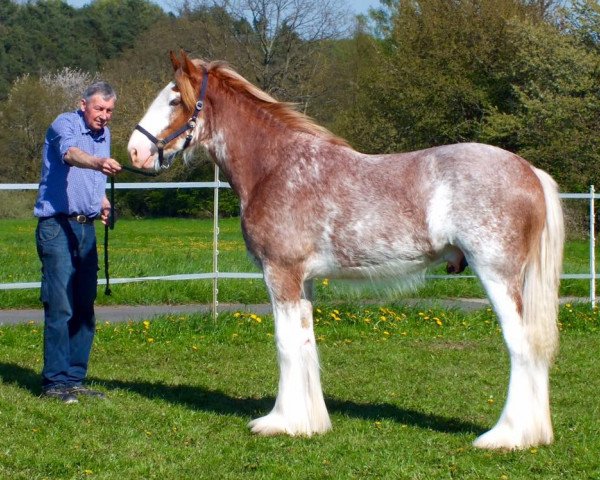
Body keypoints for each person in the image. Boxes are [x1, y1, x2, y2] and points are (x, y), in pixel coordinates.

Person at [33, 81, 122, 403]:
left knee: (84, 305)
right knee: (61, 305)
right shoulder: (64, 124)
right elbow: (71, 155)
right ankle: (54, 382)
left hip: (86, 229)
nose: (104, 116)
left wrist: (103, 202)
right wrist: (99, 162)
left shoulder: (104, 134)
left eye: (110, 110)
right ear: (83, 104)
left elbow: (92, 181)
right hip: (56, 226)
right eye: (99, 108)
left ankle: (75, 378)